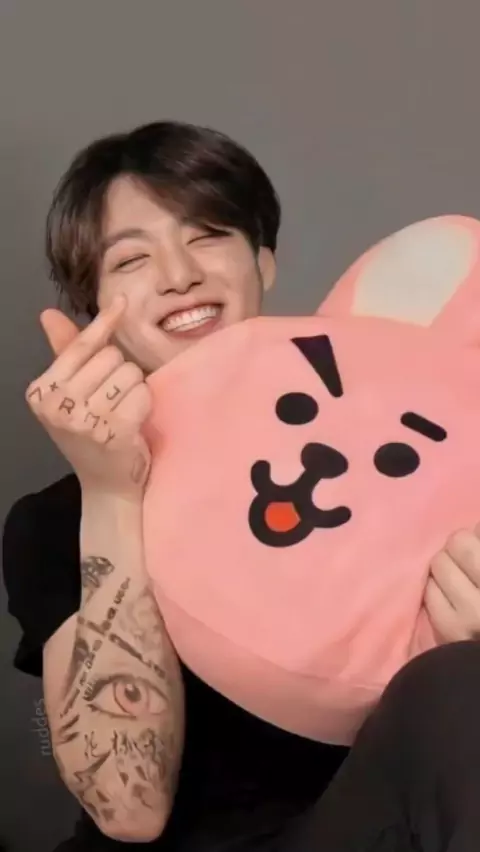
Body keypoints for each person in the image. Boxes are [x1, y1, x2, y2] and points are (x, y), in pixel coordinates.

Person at [4, 120, 480, 852]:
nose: (179, 275)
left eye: (207, 236)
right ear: (94, 304)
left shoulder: (412, 463)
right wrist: (113, 497)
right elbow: (126, 805)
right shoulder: (56, 519)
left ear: (263, 262)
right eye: (132, 259)